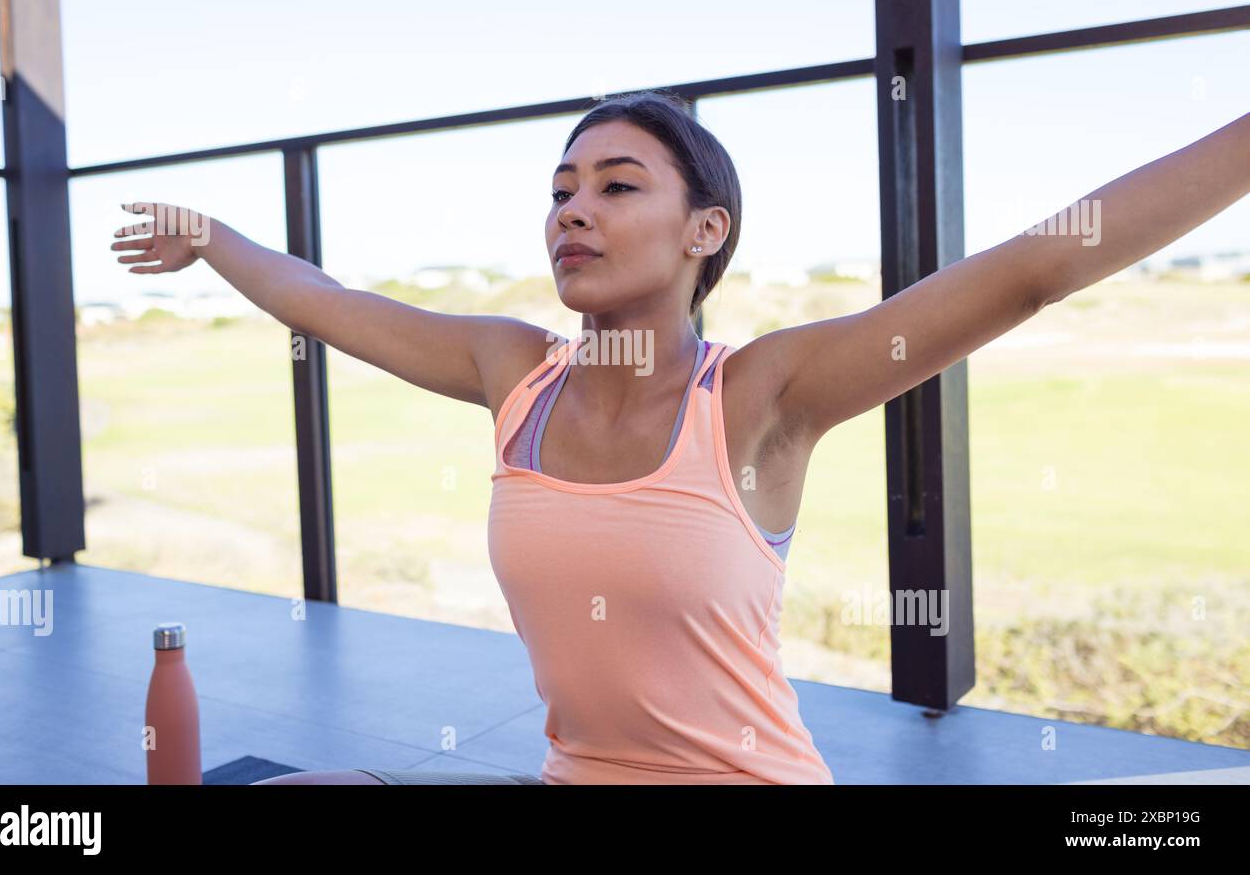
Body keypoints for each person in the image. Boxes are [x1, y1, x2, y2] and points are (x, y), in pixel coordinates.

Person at [111, 91, 1250, 784]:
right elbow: (322, 300)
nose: (573, 210)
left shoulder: (761, 395)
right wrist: (212, 237)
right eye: (561, 191)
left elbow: (1037, 271)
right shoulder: (513, 373)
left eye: (615, 185)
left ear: (705, 230)